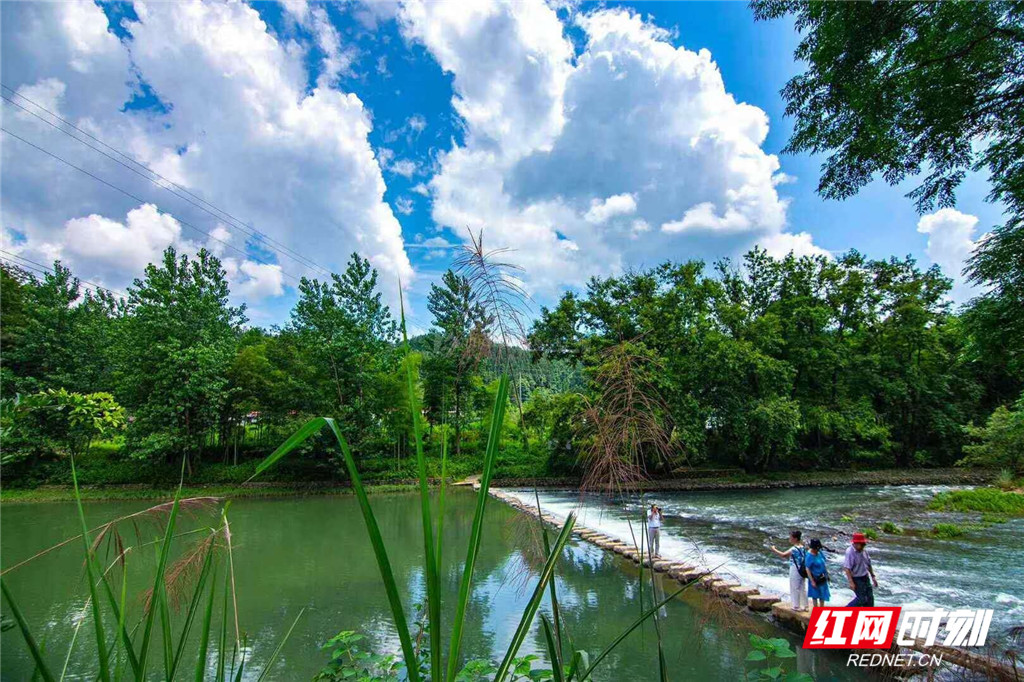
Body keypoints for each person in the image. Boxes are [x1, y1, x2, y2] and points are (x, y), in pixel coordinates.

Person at [771, 530, 808, 611]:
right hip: (802, 569)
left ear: (795, 538)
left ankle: (796, 606)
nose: (789, 539)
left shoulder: (794, 549)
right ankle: (805, 605)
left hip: (795, 569)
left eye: (790, 537)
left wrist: (774, 550)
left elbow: (783, 555)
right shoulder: (803, 547)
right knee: (802, 587)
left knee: (795, 587)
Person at [843, 532, 878, 607]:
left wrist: (873, 576)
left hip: (865, 577)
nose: (863, 546)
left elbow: (868, 564)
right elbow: (847, 568)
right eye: (861, 544)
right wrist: (851, 582)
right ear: (855, 543)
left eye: (863, 545)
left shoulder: (864, 551)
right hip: (856, 578)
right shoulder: (850, 552)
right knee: (861, 599)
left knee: (870, 599)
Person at [805, 538, 830, 608]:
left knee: (823, 594)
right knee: (815, 595)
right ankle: (816, 608)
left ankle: (822, 608)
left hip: (822, 577)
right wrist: (812, 581)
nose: (817, 550)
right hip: (815, 578)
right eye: (816, 548)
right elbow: (807, 568)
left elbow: (824, 564)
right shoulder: (809, 556)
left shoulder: (820, 553)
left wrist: (827, 574)